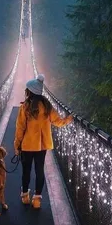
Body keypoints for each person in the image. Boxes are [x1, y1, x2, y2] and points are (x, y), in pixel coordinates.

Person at [14, 74, 73, 208]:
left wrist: (17, 145)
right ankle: (37, 200)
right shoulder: (47, 106)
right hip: (41, 146)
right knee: (40, 171)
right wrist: (69, 119)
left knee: (26, 171)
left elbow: (20, 128)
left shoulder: (25, 107)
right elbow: (58, 122)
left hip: (27, 146)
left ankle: (25, 196)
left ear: (29, 91)